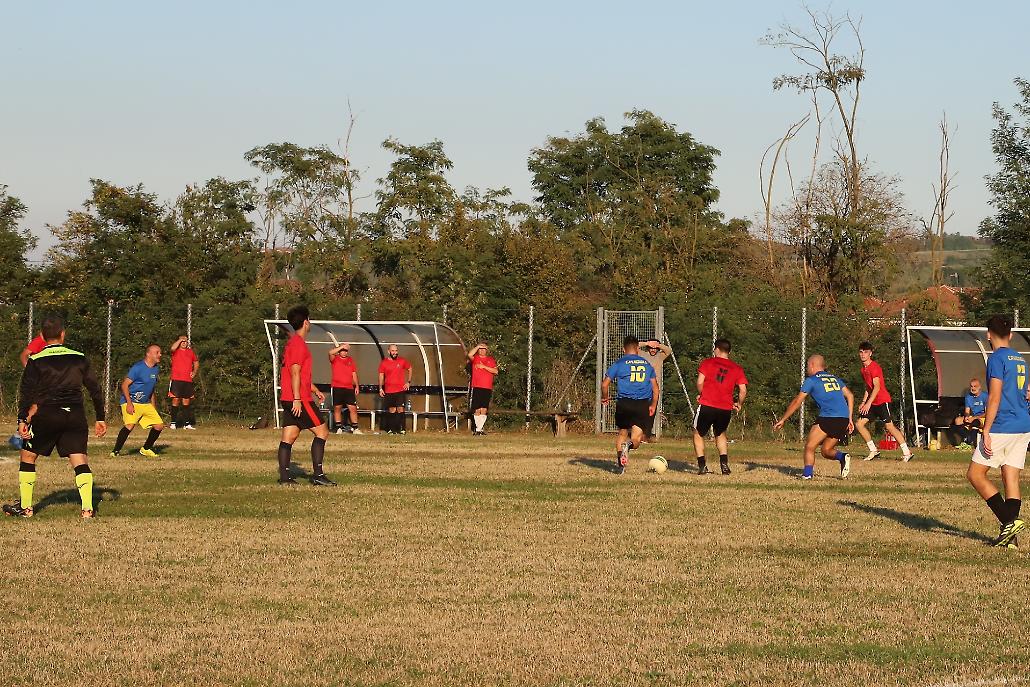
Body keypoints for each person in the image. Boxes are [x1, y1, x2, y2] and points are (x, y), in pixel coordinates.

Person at [2, 315, 106, 519]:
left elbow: (27, 393)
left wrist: (22, 420)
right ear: (63, 334)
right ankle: (87, 509)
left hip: (47, 414)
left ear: (42, 336)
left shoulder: (36, 360)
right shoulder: (79, 357)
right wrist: (100, 417)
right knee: (79, 458)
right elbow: (95, 389)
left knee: (28, 456)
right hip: (75, 414)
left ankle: (26, 508)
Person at [966, 315, 1030, 548]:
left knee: (975, 475)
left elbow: (994, 397)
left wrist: (986, 430)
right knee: (1010, 477)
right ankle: (1011, 540)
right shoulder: (1020, 358)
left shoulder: (996, 358)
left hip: (1003, 425)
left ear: (988, 335)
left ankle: (1009, 521)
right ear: (1010, 335)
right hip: (1023, 424)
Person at [277, 305, 335, 486]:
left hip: (289, 397)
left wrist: (314, 389)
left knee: (289, 436)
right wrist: (297, 399)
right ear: (305, 322)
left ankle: (285, 478)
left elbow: (299, 375)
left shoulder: (292, 343)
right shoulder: (298, 344)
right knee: (322, 432)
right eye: (309, 319)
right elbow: (295, 372)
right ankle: (318, 475)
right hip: (299, 399)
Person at [773, 354, 854, 480]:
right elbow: (850, 395)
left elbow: (797, 401)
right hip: (843, 419)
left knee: (810, 446)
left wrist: (783, 419)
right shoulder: (835, 378)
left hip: (829, 417)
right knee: (826, 450)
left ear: (812, 365)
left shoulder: (811, 380)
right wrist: (850, 418)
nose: (806, 369)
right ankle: (842, 457)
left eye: (807, 366)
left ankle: (807, 474)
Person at [601, 335, 659, 474]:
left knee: (622, 433)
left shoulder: (619, 363)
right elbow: (656, 389)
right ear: (638, 349)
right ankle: (629, 445)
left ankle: (621, 465)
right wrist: (653, 405)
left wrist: (605, 397)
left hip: (624, 403)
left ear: (623, 349)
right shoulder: (646, 364)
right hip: (642, 404)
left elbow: (604, 384)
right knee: (636, 439)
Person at [693, 338, 748, 475]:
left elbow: (699, 382)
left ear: (716, 349)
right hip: (725, 408)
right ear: (729, 351)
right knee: (720, 433)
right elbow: (743, 390)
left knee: (698, 433)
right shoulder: (737, 368)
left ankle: (702, 466)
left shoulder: (707, 362)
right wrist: (739, 403)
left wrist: (702, 394)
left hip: (707, 404)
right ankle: (724, 465)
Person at [854, 342, 912, 461]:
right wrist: (864, 402)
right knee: (859, 424)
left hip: (882, 401)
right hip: (872, 402)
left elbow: (877, 387)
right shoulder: (863, 369)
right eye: (861, 352)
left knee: (889, 426)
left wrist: (868, 403)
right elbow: (868, 387)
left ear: (870, 353)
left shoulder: (874, 367)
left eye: (865, 352)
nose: (863, 354)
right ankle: (873, 450)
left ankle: (907, 452)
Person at [110, 344, 166, 457]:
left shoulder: (156, 369)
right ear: (148, 354)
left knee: (159, 426)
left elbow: (151, 388)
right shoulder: (138, 368)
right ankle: (115, 451)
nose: (160, 355)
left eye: (160, 352)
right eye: (157, 352)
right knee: (129, 425)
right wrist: (129, 403)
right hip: (131, 401)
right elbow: (124, 385)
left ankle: (146, 449)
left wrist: (153, 405)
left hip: (145, 403)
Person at [328, 342, 362, 434]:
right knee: (337, 408)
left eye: (346, 350)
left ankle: (355, 428)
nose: (344, 352)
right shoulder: (335, 358)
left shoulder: (350, 360)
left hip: (349, 388)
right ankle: (338, 427)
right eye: (343, 350)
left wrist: (356, 386)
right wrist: (341, 347)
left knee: (353, 408)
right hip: (337, 387)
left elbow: (353, 373)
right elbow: (330, 352)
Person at [378, 345, 412, 435]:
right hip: (389, 390)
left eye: (396, 351)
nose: (395, 352)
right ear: (388, 351)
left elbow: (410, 368)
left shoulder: (402, 360)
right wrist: (380, 388)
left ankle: (402, 429)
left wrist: (408, 382)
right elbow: (381, 375)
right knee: (392, 409)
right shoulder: (384, 363)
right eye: (393, 351)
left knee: (400, 409)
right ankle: (391, 429)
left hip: (400, 390)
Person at [168, 335, 199, 430]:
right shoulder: (175, 351)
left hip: (187, 380)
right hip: (176, 379)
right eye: (182, 341)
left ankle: (187, 424)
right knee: (176, 400)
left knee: (186, 401)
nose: (184, 342)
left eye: (185, 341)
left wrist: (194, 372)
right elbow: (172, 348)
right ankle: (173, 423)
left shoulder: (190, 352)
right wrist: (180, 339)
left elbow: (196, 362)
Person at [467, 342, 498, 436]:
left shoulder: (490, 360)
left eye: (484, 348)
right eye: (480, 348)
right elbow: (469, 354)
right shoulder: (476, 358)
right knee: (477, 408)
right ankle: (477, 429)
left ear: (487, 350)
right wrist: (477, 346)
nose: (482, 350)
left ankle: (479, 429)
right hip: (477, 386)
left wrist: (484, 367)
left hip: (487, 387)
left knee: (484, 408)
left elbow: (495, 371)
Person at [954, 378, 986, 447]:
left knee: (975, 422)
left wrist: (974, 418)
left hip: (983, 418)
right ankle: (967, 437)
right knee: (957, 420)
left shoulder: (985, 396)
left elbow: (988, 413)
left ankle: (970, 440)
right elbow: (967, 411)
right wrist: (966, 416)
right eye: (971, 386)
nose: (973, 388)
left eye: (975, 386)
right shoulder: (968, 397)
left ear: (979, 387)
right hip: (973, 417)